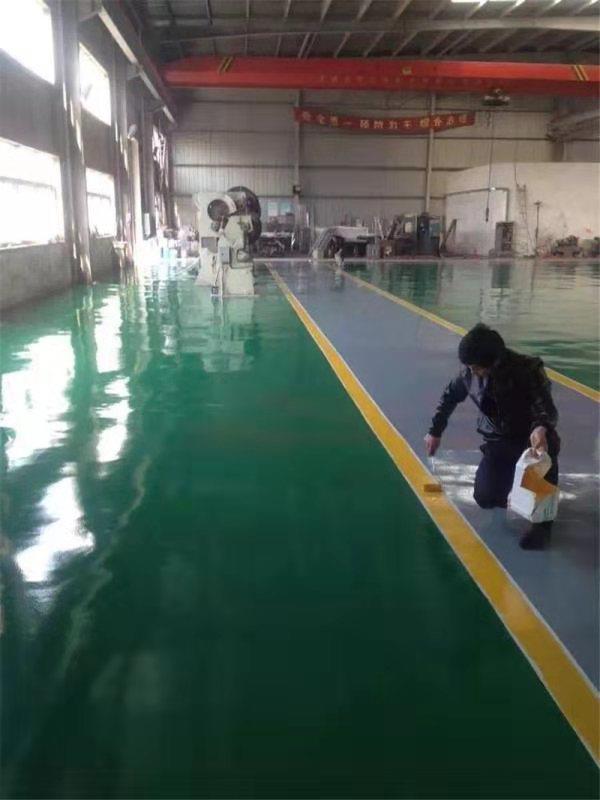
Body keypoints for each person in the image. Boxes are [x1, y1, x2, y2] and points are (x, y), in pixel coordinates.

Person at [424, 323, 560, 550]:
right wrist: (435, 431)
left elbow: (546, 407)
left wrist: (540, 427)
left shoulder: (528, 369)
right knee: (486, 496)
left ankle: (542, 525)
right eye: (469, 367)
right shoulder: (470, 374)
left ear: (494, 361)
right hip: (499, 441)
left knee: (544, 463)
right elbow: (449, 397)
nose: (472, 371)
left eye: (476, 367)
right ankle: (516, 492)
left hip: (533, 441)